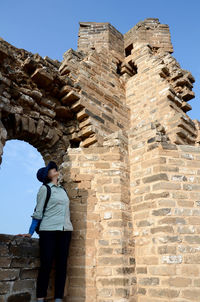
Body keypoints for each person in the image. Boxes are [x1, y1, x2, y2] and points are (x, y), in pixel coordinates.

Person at [17, 160, 73, 302]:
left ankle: (58, 298)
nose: (55, 169)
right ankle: (41, 298)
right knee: (46, 265)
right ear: (48, 175)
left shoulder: (63, 190)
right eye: (52, 169)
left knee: (62, 266)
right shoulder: (44, 189)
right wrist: (30, 232)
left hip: (65, 231)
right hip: (48, 231)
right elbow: (38, 212)